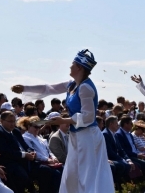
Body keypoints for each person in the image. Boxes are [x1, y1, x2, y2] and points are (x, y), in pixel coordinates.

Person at [11, 49, 114, 193]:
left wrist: (61, 120)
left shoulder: (85, 88)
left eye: (73, 64)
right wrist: (25, 88)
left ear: (79, 67)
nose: (70, 66)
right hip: (77, 136)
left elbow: (89, 116)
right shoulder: (72, 84)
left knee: (87, 177)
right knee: (72, 175)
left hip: (88, 136)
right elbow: (49, 88)